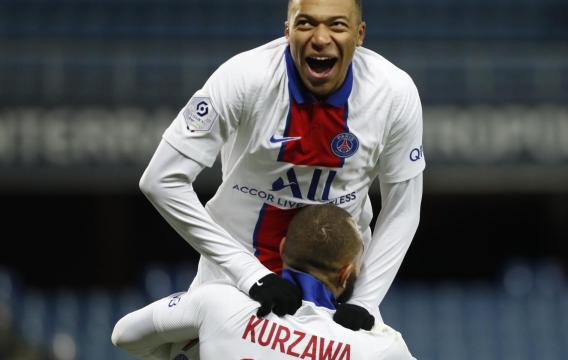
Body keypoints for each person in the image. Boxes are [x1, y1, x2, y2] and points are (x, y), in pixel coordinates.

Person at [136, 0, 424, 330]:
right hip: (234, 284)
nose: (320, 37)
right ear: (287, 30)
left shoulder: (393, 93)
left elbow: (404, 207)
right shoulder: (244, 79)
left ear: (359, 34)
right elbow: (160, 180)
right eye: (305, 24)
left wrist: (364, 300)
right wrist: (249, 272)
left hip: (336, 295)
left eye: (337, 25)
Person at [112, 204, 416, 359]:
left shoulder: (219, 302)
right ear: (346, 273)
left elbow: (123, 334)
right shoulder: (378, 347)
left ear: (282, 249)